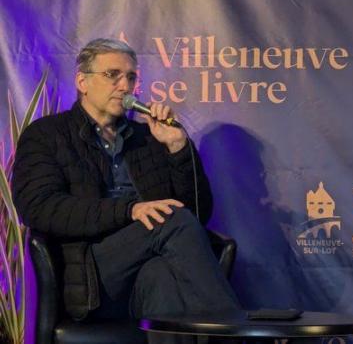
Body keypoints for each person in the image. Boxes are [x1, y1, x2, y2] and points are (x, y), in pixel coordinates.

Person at [12, 39, 239, 343]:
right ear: (83, 82)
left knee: (163, 280)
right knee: (169, 219)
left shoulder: (147, 138)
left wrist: (177, 147)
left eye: (131, 77)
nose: (124, 85)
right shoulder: (47, 134)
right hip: (91, 275)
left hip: (143, 276)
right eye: (113, 75)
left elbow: (196, 214)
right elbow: (38, 207)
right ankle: (235, 335)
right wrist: (130, 210)